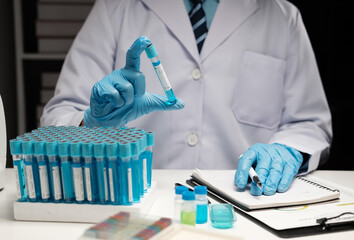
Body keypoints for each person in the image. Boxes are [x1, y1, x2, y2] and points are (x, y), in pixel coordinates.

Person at [41, 0, 332, 196]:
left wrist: (287, 150)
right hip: (136, 199)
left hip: (246, 204)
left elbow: (308, 122)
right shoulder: (117, 7)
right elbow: (60, 113)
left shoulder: (282, 15)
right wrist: (91, 125)